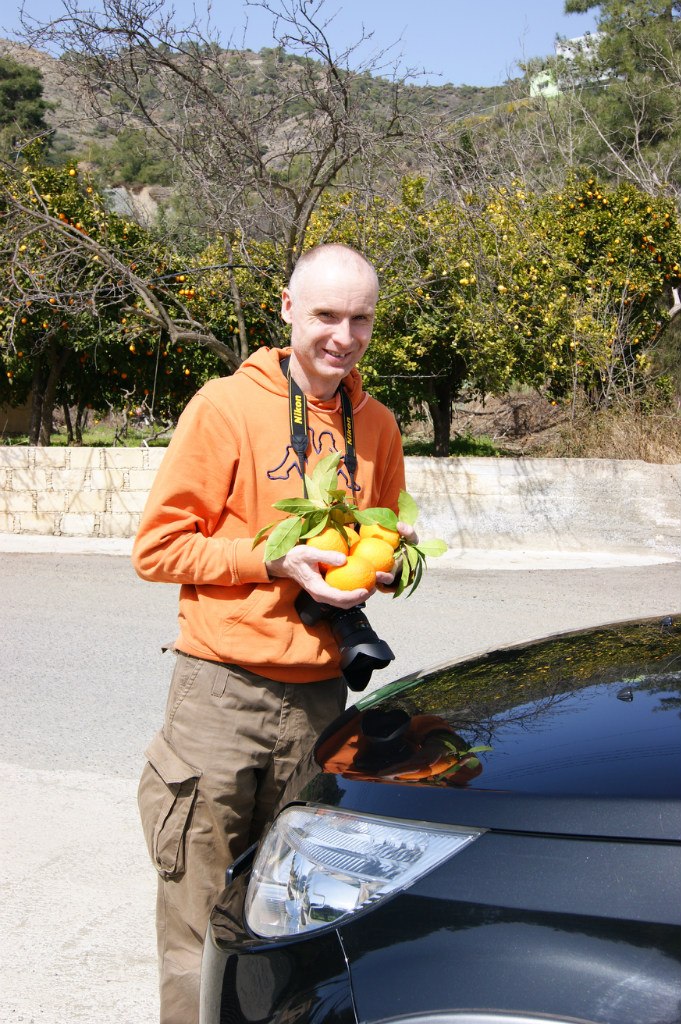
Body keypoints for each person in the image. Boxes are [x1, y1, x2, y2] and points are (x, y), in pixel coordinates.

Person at [132, 243, 413, 1024]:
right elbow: (157, 550)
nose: (343, 337)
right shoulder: (224, 407)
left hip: (320, 704)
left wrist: (386, 565)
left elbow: (383, 537)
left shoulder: (377, 425)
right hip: (218, 699)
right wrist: (272, 560)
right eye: (325, 315)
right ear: (286, 309)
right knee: (197, 928)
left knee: (297, 923)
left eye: (360, 319)